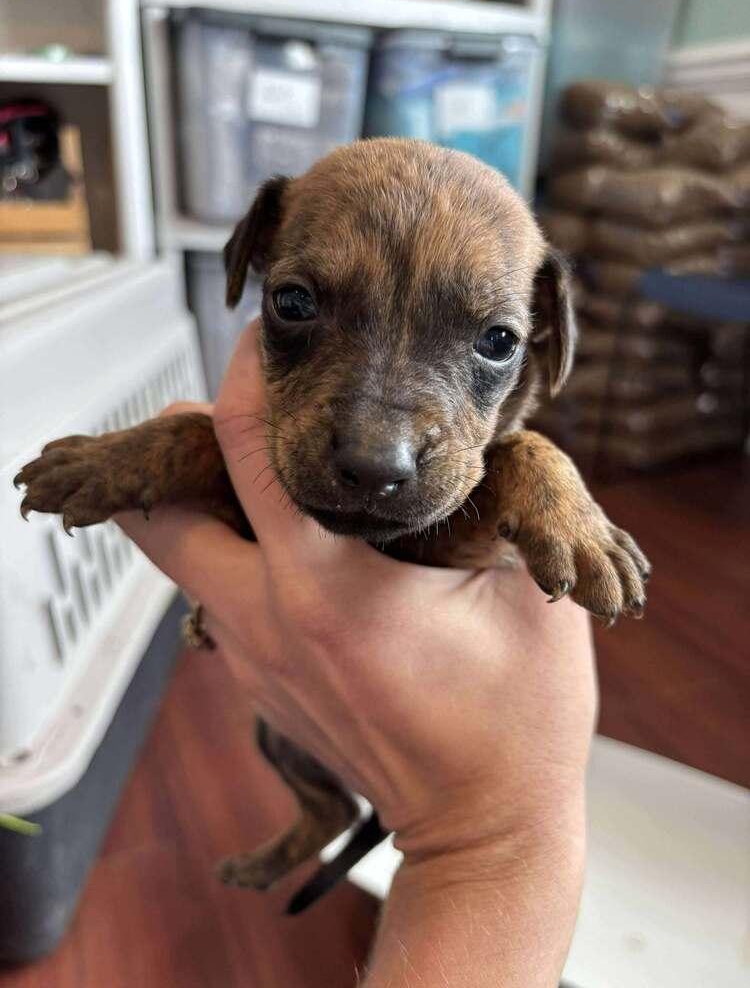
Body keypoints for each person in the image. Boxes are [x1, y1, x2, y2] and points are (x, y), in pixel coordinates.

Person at [118, 322, 596, 987]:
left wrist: (488, 835)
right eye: (296, 305)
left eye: (494, 343)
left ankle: (323, 817)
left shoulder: (506, 461)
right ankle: (323, 815)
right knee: (277, 737)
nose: (379, 446)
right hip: (311, 729)